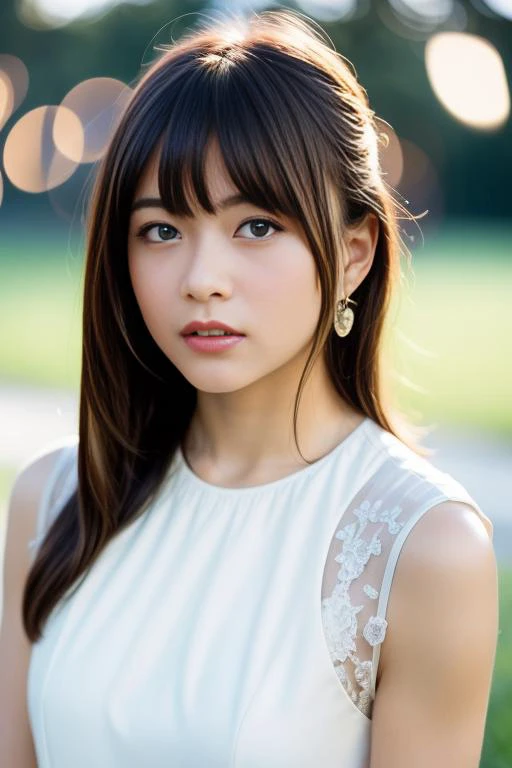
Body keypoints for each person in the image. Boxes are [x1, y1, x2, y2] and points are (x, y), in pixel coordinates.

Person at [0, 9, 498, 768]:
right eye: (161, 230)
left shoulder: (424, 549)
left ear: (355, 252)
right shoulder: (57, 497)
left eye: (256, 226)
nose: (202, 280)